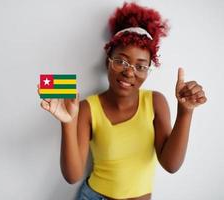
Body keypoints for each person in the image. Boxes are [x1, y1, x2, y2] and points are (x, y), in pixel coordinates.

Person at [37, 2, 207, 200]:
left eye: (140, 66)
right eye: (121, 61)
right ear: (108, 60)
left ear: (149, 70)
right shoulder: (87, 108)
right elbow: (72, 176)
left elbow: (171, 165)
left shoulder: (156, 102)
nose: (129, 72)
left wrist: (185, 112)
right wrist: (67, 123)